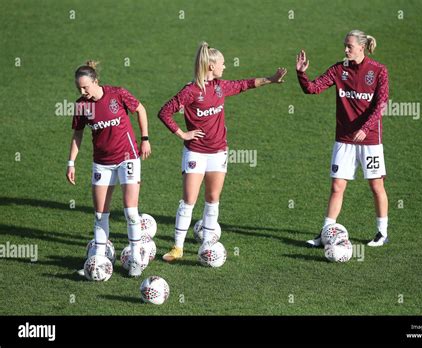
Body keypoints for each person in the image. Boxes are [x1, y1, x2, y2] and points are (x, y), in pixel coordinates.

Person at [158, 42, 287, 261]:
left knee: (213, 198)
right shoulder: (191, 91)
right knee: (189, 199)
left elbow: (244, 84)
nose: (225, 67)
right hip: (196, 152)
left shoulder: (220, 87)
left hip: (218, 153)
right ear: (210, 66)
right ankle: (178, 248)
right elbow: (165, 112)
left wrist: (270, 79)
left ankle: (208, 244)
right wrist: (182, 134)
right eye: (222, 64)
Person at [296, 30, 389, 247]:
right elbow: (312, 89)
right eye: (345, 46)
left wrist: (366, 129)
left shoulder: (378, 71)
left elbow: (381, 104)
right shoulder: (340, 69)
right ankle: (326, 232)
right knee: (337, 186)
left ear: (361, 47)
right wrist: (301, 74)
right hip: (344, 139)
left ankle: (382, 233)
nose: (345, 50)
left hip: (370, 141)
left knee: (376, 185)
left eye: (349, 46)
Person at [66, 60, 152, 276]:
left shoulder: (117, 94)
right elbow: (77, 135)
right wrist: (71, 162)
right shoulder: (82, 106)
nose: (83, 91)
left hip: (128, 158)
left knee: (131, 212)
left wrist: (145, 139)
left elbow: (140, 109)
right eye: (79, 88)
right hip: (101, 163)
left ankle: (134, 259)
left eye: (85, 87)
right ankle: (100, 261)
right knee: (99, 214)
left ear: (96, 81)